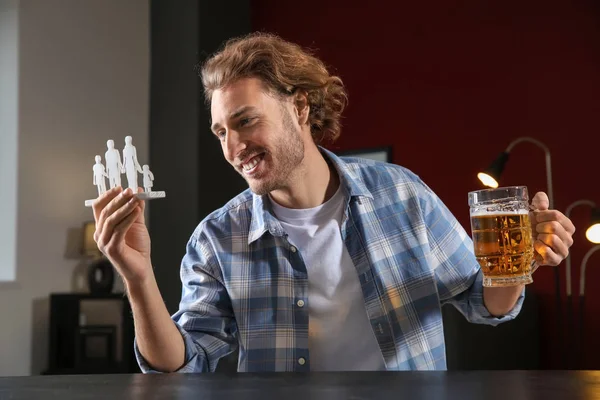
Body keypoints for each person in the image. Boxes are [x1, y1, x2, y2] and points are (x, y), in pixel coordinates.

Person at [91, 33, 575, 373]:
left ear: (299, 107)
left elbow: (484, 302)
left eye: (244, 121)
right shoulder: (218, 239)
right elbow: (183, 363)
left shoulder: (401, 194)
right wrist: (137, 278)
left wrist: (518, 261)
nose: (233, 146)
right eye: (221, 131)